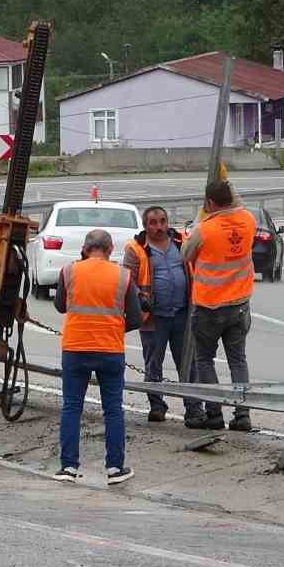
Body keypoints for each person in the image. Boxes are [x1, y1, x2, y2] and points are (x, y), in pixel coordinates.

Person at [53, 228, 143, 485]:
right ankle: (115, 468)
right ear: (110, 250)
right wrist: (112, 326)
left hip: (75, 348)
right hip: (110, 349)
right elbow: (135, 318)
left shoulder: (69, 271)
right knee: (113, 409)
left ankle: (68, 467)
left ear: (84, 248)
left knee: (72, 407)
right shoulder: (123, 276)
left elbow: (60, 305)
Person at [181, 180, 256, 432]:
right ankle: (242, 414)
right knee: (238, 360)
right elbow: (239, 206)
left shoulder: (204, 229)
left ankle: (214, 414)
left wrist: (199, 221)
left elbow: (185, 254)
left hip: (209, 306)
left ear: (209, 203)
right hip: (240, 304)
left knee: (205, 360)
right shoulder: (248, 220)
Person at [122, 206, 203, 424]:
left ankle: (194, 409)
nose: (159, 226)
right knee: (153, 364)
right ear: (145, 225)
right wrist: (140, 298)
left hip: (182, 315)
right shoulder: (135, 248)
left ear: (168, 222)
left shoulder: (180, 243)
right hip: (153, 317)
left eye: (162, 221)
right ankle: (157, 406)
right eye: (153, 222)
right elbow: (127, 281)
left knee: (188, 364)